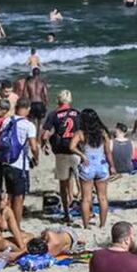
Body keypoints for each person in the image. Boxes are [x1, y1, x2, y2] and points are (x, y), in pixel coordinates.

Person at [71, 109, 116, 229]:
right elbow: (108, 152)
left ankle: (86, 225)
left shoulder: (80, 133)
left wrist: (82, 154)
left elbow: (71, 146)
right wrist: (112, 166)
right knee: (103, 197)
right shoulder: (103, 132)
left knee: (86, 198)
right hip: (101, 166)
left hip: (87, 167)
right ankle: (102, 224)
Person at [42, 90, 82, 223]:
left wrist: (45, 144)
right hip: (76, 150)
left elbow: (44, 134)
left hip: (61, 152)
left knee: (63, 184)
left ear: (58, 101)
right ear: (70, 101)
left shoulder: (54, 114)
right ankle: (85, 209)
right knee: (81, 181)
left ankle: (66, 213)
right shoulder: (77, 113)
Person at [1, 98, 39, 223]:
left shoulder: (7, 120)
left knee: (9, 194)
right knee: (19, 197)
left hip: (6, 162)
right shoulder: (29, 125)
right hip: (20, 165)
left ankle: (4, 222)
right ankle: (16, 224)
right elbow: (34, 147)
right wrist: (36, 158)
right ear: (28, 109)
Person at [22, 68, 50, 135]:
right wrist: (45, 105)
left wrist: (26, 106)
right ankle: (38, 140)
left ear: (32, 73)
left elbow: (25, 95)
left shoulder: (28, 82)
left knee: (32, 123)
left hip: (32, 103)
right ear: (39, 73)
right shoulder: (42, 82)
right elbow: (46, 95)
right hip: (40, 104)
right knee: (39, 123)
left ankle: (33, 138)